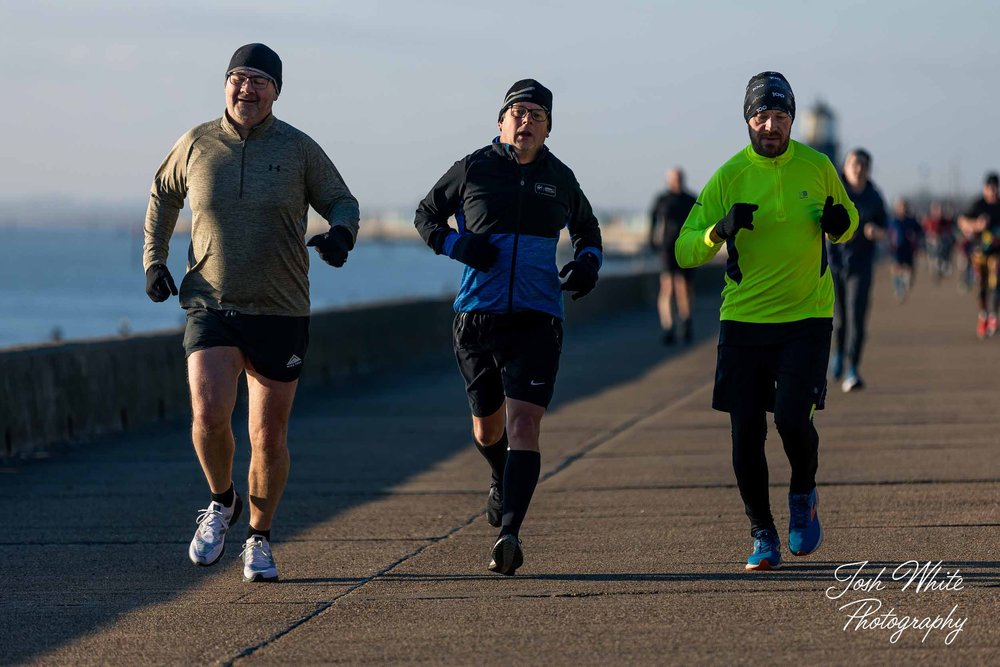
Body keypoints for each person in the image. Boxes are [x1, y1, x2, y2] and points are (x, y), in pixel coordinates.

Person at [142, 43, 360, 582]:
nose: (247, 88)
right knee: (209, 416)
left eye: (259, 81)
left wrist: (342, 235)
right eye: (238, 78)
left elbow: (342, 200)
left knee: (268, 438)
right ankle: (222, 501)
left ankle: (259, 539)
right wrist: (154, 261)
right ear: (225, 84)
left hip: (281, 308)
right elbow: (162, 194)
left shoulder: (299, 148)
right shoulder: (196, 143)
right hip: (210, 301)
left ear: (276, 92)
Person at [414, 79, 603, 575]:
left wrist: (587, 263)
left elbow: (589, 229)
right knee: (487, 427)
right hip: (477, 316)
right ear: (501, 122)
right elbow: (426, 214)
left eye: (537, 115)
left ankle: (509, 536)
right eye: (517, 112)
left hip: (538, 319)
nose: (526, 121)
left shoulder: (560, 177)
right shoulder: (474, 167)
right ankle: (501, 476)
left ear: (548, 128)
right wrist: (457, 246)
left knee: (525, 425)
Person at [676, 72, 858, 571]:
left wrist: (841, 226)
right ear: (748, 120)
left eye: (780, 116)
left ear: (793, 120)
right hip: (744, 321)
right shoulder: (729, 176)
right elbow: (684, 249)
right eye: (761, 116)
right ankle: (762, 532)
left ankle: (803, 494)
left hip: (807, 316)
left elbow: (848, 217)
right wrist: (719, 229)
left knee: (795, 420)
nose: (770, 125)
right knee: (745, 434)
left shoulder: (817, 166)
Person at [828, 149, 888, 393]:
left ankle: (853, 368)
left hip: (861, 264)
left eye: (863, 164)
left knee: (857, 316)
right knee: (839, 317)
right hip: (834, 263)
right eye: (854, 163)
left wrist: (877, 232)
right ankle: (839, 353)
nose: (858, 168)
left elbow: (886, 226)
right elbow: (818, 220)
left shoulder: (874, 196)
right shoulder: (834, 191)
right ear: (845, 166)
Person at [648, 168, 698, 344]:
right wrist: (651, 240)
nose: (676, 181)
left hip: (686, 246)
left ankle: (686, 321)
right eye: (673, 178)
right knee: (667, 286)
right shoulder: (662, 199)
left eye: (678, 178)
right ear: (668, 180)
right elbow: (653, 220)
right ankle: (668, 327)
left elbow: (700, 221)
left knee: (684, 286)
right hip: (667, 247)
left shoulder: (691, 199)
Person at [957, 172, 1000, 338]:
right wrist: (976, 225)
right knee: (981, 286)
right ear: (984, 188)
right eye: (989, 187)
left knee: (996, 282)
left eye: (995, 187)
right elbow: (962, 221)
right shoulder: (978, 205)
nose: (992, 191)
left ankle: (994, 316)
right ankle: (983, 315)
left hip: (997, 253)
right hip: (979, 252)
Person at [888, 197, 924, 303]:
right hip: (896, 249)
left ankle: (905, 285)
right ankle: (898, 289)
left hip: (908, 249)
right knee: (896, 268)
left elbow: (920, 231)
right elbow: (887, 232)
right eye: (899, 206)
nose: (902, 208)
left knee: (909, 270)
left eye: (903, 206)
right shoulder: (892, 221)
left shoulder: (911, 220)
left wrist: (916, 240)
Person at [922, 200, 956, 283]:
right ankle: (935, 267)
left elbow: (950, 227)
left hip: (943, 243)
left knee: (946, 243)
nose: (938, 211)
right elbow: (924, 231)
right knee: (934, 248)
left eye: (939, 209)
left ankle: (944, 264)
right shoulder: (928, 220)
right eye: (936, 209)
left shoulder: (945, 220)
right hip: (932, 244)